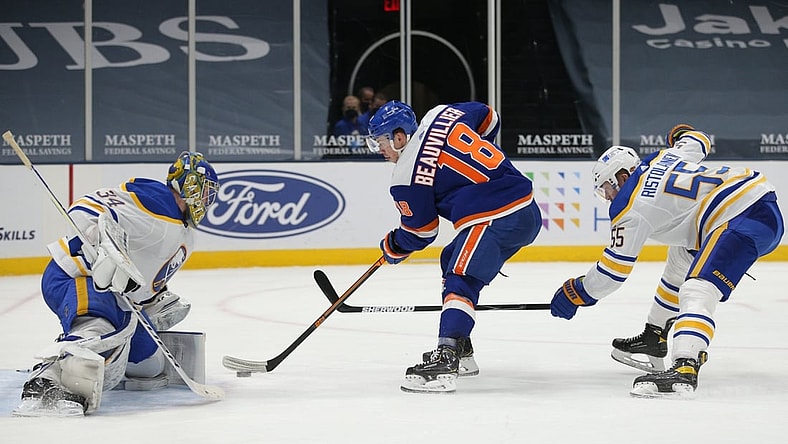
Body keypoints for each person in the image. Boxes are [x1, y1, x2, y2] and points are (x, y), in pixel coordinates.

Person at [549, 124, 784, 398]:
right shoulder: (664, 157)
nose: (608, 197)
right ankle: (655, 336)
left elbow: (612, 273)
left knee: (697, 290)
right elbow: (698, 139)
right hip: (751, 202)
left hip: (742, 216)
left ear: (622, 176)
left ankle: (685, 366)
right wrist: (680, 134)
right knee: (680, 258)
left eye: (607, 188)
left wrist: (577, 292)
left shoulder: (632, 208)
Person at [14, 151, 219, 417]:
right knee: (99, 331)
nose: (206, 200)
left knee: (150, 364)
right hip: (79, 276)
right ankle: (47, 381)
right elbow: (85, 209)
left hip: (117, 296)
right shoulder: (156, 198)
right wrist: (103, 247)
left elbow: (143, 277)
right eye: (205, 192)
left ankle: (94, 354)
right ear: (190, 184)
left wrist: (152, 301)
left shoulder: (185, 234)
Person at [366, 100, 542, 393]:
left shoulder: (405, 176)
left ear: (399, 137)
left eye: (381, 142)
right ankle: (462, 347)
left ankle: (446, 357)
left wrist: (393, 246)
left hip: (495, 216)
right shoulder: (441, 113)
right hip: (525, 205)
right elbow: (490, 118)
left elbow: (421, 232)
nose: (379, 150)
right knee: (452, 258)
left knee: (460, 278)